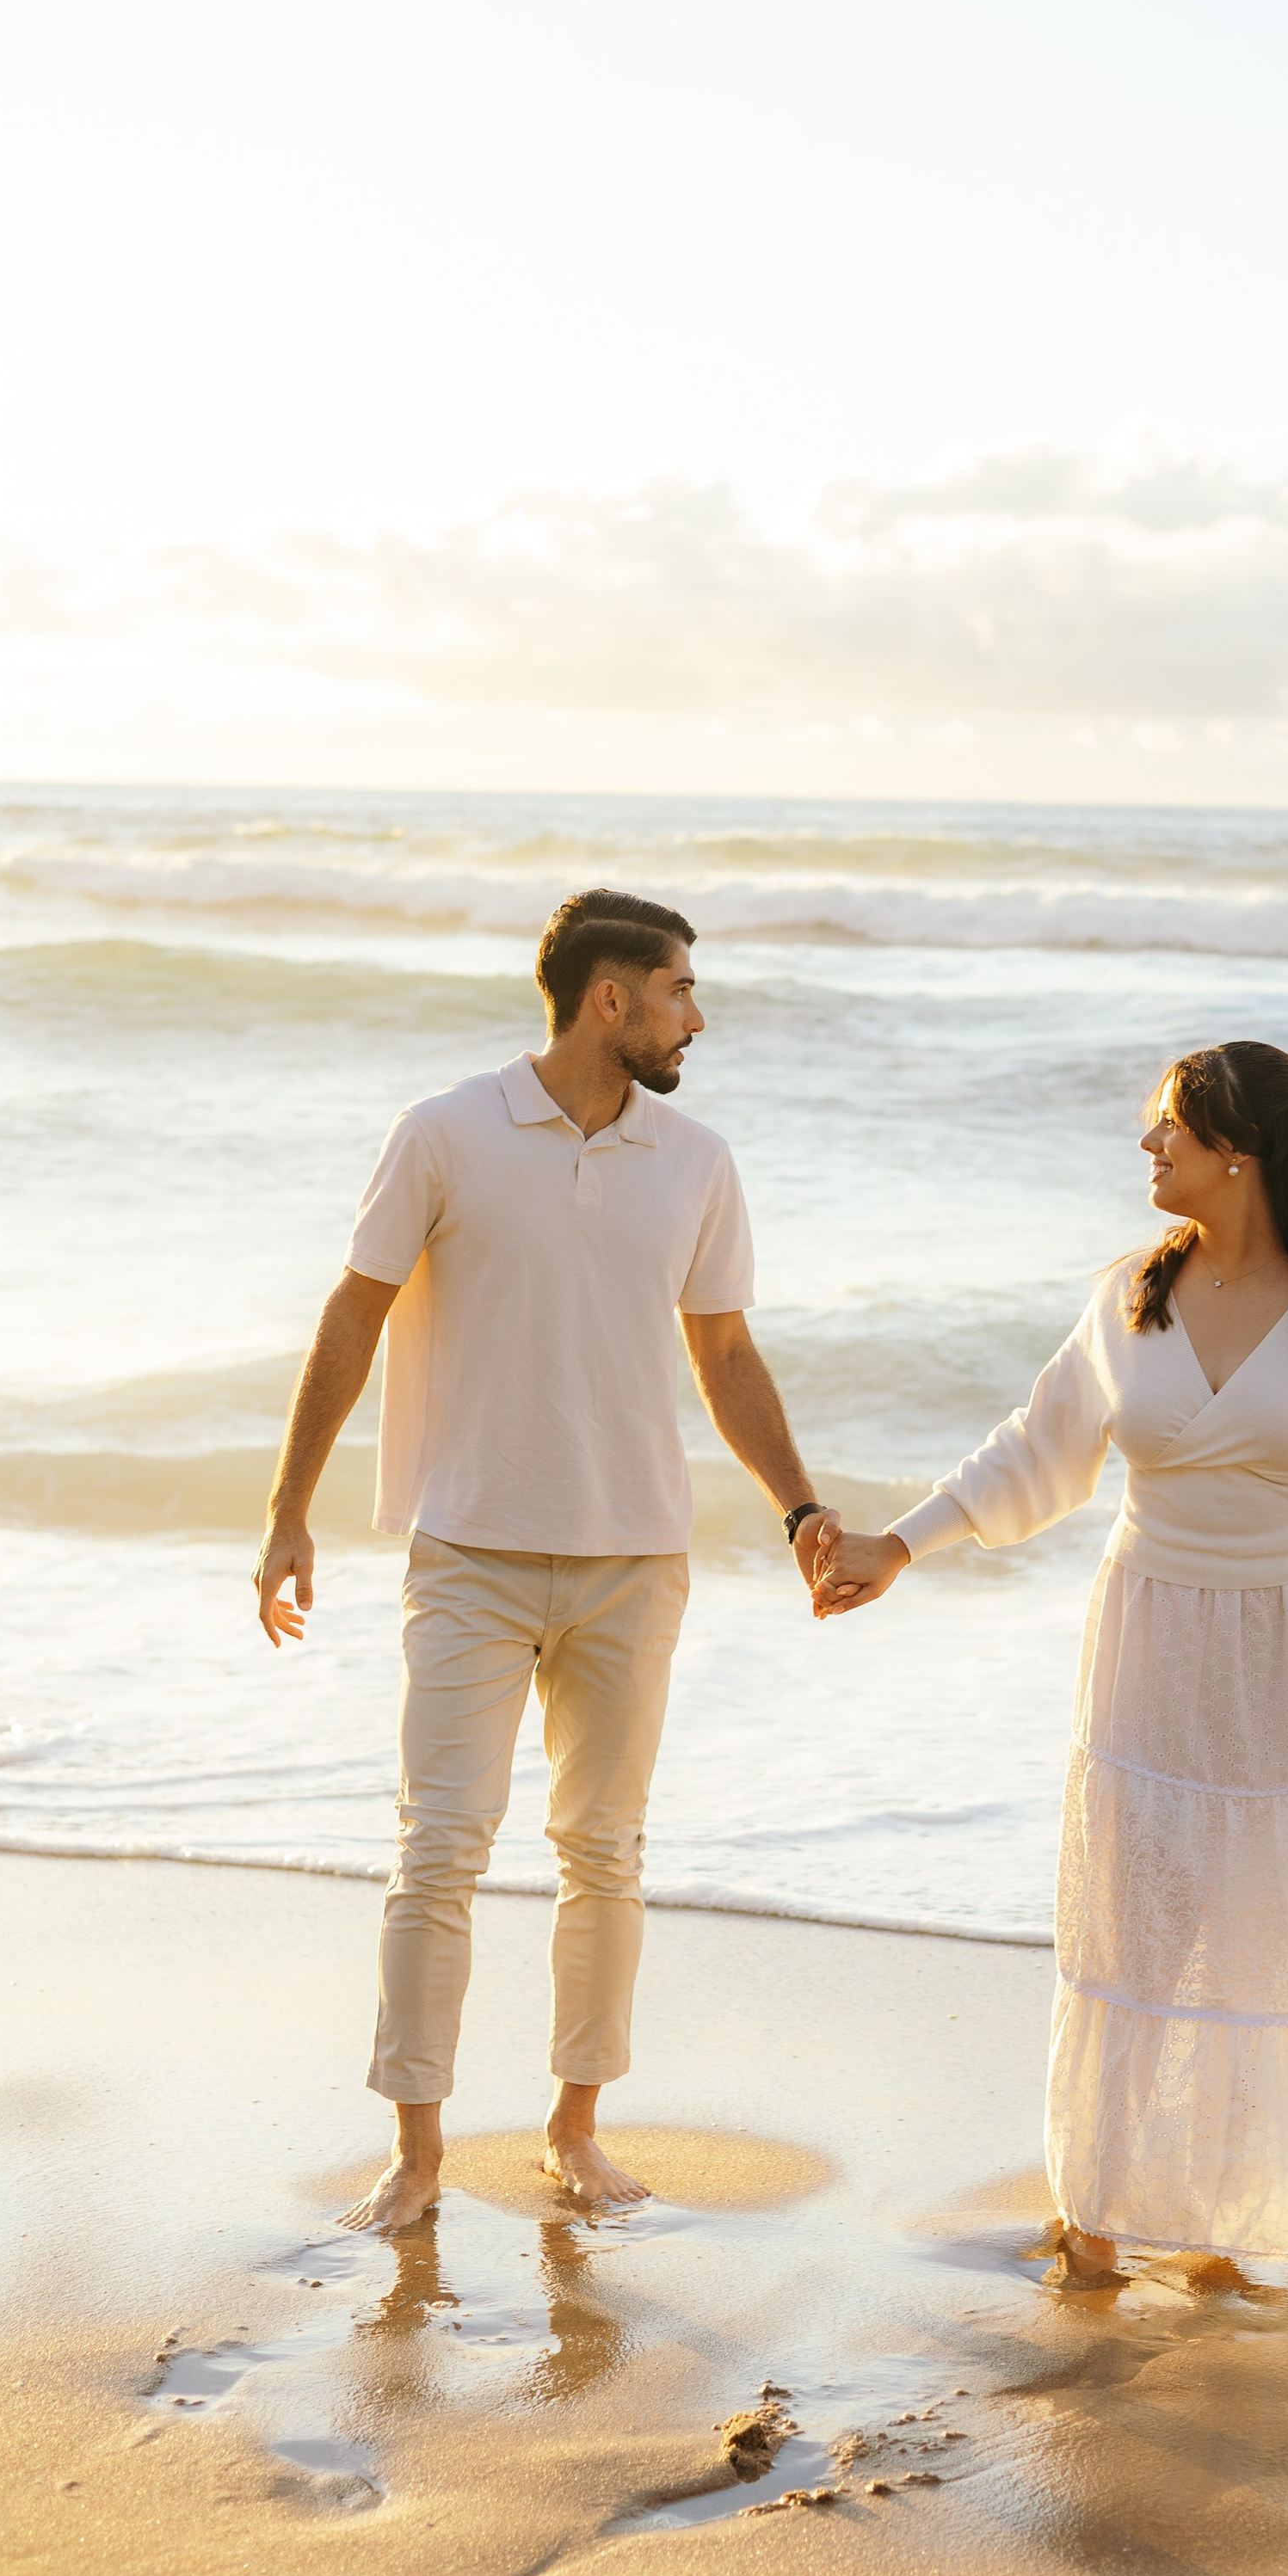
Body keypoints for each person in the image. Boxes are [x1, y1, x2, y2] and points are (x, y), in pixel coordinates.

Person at [813, 1041, 1288, 2275]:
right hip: (1157, 1630)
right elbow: (1034, 1453)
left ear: (1239, 1152)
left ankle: (1227, 2219)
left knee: (1274, 1930)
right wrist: (905, 1542)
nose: (1148, 1148)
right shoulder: (1132, 1295)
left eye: (1170, 1129)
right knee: (1140, 1923)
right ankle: (1097, 2217)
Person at [252, 890, 835, 2233]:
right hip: (471, 1552)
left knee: (605, 1853)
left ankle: (576, 2128)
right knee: (440, 1851)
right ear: (610, 998)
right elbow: (354, 1313)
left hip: (637, 1555)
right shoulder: (446, 1133)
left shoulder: (696, 1160)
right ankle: (416, 2151)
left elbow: (727, 1354)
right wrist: (290, 1509)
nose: (700, 1013)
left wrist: (802, 1511)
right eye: (680, 987)